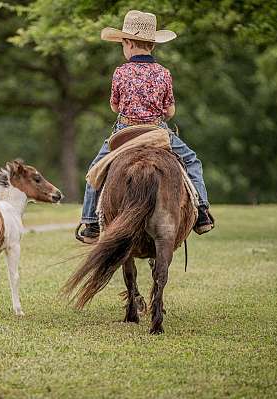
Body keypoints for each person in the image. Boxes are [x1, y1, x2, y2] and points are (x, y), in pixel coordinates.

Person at [78, 10, 214, 243]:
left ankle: (90, 222)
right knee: (192, 161)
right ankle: (201, 212)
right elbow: (170, 111)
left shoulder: (120, 72)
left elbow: (114, 106)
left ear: (129, 43)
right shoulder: (163, 73)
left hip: (125, 133)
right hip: (157, 132)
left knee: (96, 170)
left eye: (123, 43)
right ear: (151, 44)